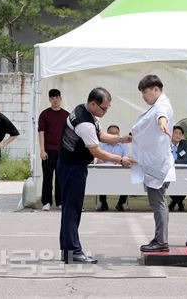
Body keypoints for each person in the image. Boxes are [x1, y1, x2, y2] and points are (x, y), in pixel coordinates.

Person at [57, 87, 134, 264]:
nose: (105, 111)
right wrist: (121, 159)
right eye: (103, 108)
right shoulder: (84, 123)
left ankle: (67, 250)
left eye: (108, 108)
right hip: (72, 168)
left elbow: (100, 135)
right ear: (93, 103)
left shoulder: (84, 111)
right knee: (72, 210)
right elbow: (97, 151)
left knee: (70, 209)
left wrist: (121, 139)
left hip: (70, 165)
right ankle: (73, 251)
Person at [131, 75, 176, 253]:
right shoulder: (156, 105)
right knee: (157, 202)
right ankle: (159, 238)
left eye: (145, 92)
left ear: (156, 89)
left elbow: (161, 116)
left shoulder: (162, 105)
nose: (143, 96)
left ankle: (161, 241)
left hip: (158, 165)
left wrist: (163, 123)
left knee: (158, 203)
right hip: (153, 163)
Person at [38, 89, 70, 211]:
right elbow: (41, 132)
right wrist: (42, 150)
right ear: (49, 99)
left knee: (60, 177)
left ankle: (60, 202)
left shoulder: (66, 115)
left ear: (60, 98)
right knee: (47, 177)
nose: (55, 100)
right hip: (48, 150)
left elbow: (69, 134)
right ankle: (46, 202)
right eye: (52, 98)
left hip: (62, 151)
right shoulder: (44, 114)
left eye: (57, 97)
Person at [96, 124, 129, 212]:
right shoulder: (102, 145)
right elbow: (98, 159)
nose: (113, 135)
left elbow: (126, 158)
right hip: (105, 172)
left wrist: (120, 160)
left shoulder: (124, 145)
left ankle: (121, 203)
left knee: (127, 180)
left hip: (120, 172)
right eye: (111, 133)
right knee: (100, 179)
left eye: (116, 133)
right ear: (107, 134)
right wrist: (100, 160)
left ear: (119, 134)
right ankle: (103, 203)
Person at [168, 125, 187, 212]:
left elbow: (185, 160)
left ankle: (174, 203)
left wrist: (172, 162)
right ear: (171, 134)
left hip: (182, 171)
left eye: (180, 134)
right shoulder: (166, 143)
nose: (178, 135)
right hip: (169, 171)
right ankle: (179, 203)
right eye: (176, 133)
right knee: (168, 185)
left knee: (185, 184)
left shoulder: (185, 144)